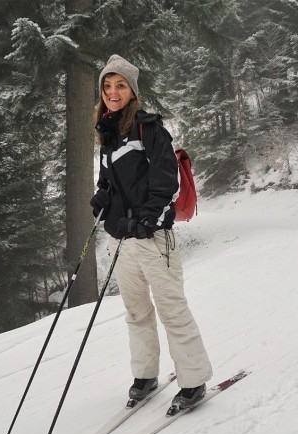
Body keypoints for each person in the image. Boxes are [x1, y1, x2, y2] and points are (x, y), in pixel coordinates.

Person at [90, 54, 213, 412]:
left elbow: (167, 184)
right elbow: (110, 181)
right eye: (107, 85)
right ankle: (145, 375)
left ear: (132, 90)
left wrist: (146, 220)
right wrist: (102, 198)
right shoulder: (108, 132)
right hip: (122, 239)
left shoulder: (150, 129)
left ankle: (193, 380)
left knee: (171, 309)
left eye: (120, 85)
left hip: (154, 238)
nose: (113, 92)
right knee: (136, 312)